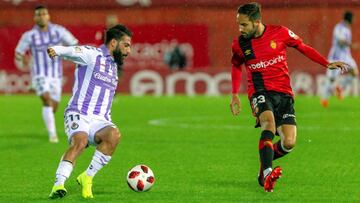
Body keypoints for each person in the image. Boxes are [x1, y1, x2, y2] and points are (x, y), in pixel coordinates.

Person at [229, 2, 348, 192]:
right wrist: (235, 95)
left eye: (244, 24)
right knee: (268, 123)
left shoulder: (280, 33)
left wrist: (326, 63)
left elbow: (302, 47)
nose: (240, 29)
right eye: (239, 24)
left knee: (289, 142)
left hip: (284, 93)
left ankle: (263, 170)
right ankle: (268, 172)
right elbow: (236, 65)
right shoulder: (240, 44)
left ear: (256, 22)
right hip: (260, 91)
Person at [47, 24, 132, 199]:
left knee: (114, 135)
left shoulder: (113, 67)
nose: (129, 50)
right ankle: (58, 184)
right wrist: (56, 50)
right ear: (113, 43)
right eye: (126, 45)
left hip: (100, 120)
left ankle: (87, 177)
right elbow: (72, 51)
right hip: (79, 113)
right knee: (80, 141)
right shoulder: (92, 54)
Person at [14, 5, 78, 143]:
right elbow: (18, 53)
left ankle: (49, 123)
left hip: (56, 75)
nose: (42, 16)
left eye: (44, 14)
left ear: (48, 16)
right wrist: (22, 58)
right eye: (39, 14)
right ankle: (52, 135)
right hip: (39, 74)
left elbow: (74, 43)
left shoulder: (59, 31)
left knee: (53, 107)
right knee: (47, 100)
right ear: (35, 17)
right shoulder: (29, 36)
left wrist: (68, 54)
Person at [320, 11, 359, 107]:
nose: (354, 20)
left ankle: (340, 87)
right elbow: (341, 41)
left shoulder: (347, 28)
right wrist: (352, 45)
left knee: (354, 73)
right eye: (353, 18)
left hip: (346, 56)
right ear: (349, 18)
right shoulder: (339, 28)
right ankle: (324, 99)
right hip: (336, 57)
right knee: (332, 79)